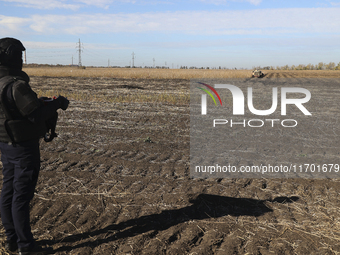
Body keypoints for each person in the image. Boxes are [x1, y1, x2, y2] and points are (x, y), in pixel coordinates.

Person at [0, 37, 69, 254]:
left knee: (8, 192)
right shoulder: (17, 85)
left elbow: (18, 109)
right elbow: (36, 115)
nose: (22, 60)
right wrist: (57, 103)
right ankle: (26, 248)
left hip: (6, 145)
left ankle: (12, 240)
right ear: (12, 56)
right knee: (21, 196)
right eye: (20, 55)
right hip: (23, 149)